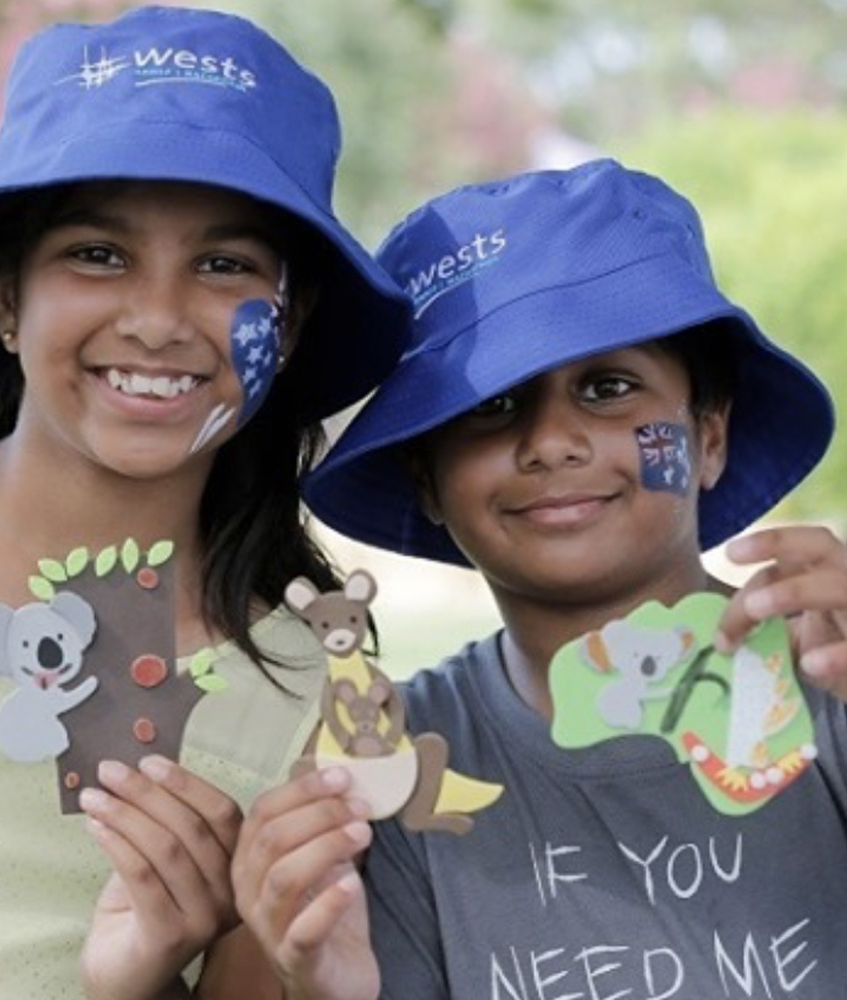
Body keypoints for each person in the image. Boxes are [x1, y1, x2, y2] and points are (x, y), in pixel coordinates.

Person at [0, 6, 409, 1000]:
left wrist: (140, 981)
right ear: (6, 294)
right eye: (97, 254)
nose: (156, 320)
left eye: (225, 265)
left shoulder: (319, 709)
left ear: (289, 325)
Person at [231, 158, 847, 999]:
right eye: (491, 405)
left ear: (708, 438)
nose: (551, 440)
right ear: (425, 476)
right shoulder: (396, 763)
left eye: (608, 387)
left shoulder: (828, 683)